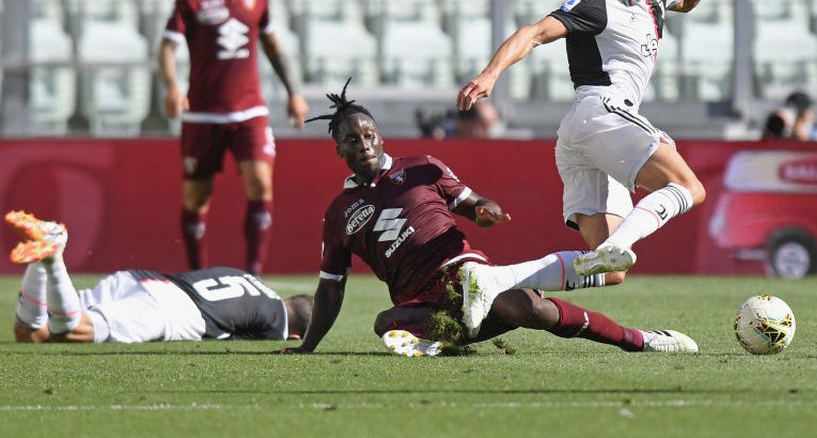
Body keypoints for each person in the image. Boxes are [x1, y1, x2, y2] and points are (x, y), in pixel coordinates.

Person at [280, 80, 698, 357]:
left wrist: (486, 211)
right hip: (419, 302)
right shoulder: (338, 214)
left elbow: (474, 203)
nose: (364, 144)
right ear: (338, 149)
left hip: (466, 275)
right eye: (352, 139)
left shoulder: (422, 167)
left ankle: (638, 340)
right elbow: (331, 288)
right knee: (385, 323)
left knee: (531, 311)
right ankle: (444, 336)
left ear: (381, 136)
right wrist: (308, 347)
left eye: (369, 134)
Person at [457, 0, 735, 286]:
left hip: (582, 132)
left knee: (612, 270)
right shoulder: (596, 3)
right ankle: (617, 243)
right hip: (601, 111)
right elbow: (534, 34)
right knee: (688, 187)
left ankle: (490, 282)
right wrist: (490, 74)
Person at [158, 0, 309, 276]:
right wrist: (173, 86)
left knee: (260, 182)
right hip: (203, 115)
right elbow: (166, 48)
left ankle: (253, 277)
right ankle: (196, 278)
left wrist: (294, 92)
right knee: (197, 198)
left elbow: (272, 45)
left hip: (249, 111)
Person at [7, 210, 312, 344]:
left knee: (32, 334)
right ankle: (52, 253)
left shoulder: (250, 280)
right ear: (296, 335)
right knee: (70, 331)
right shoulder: (275, 324)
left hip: (144, 280)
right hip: (169, 310)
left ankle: (42, 256)